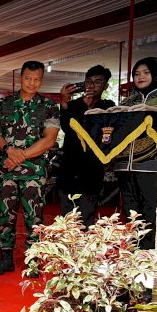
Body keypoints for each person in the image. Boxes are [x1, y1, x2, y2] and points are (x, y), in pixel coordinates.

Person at [0, 61, 60, 276]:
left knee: (34, 217)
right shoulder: (3, 104)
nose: (32, 83)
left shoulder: (49, 106)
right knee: (4, 215)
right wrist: (9, 150)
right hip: (6, 171)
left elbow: (49, 140)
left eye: (37, 79)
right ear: (20, 78)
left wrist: (20, 156)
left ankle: (33, 261)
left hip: (33, 172)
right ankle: (5, 258)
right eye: (28, 78)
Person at [58, 65, 116, 226]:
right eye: (88, 82)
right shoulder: (74, 105)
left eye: (98, 82)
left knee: (86, 218)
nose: (92, 85)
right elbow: (66, 128)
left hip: (92, 170)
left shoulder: (109, 107)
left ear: (105, 85)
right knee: (67, 219)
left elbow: (104, 135)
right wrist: (64, 102)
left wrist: (91, 108)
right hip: (69, 167)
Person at [116, 57, 157, 249]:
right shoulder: (129, 100)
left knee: (151, 209)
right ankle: (133, 253)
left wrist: (155, 111)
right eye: (136, 74)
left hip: (152, 165)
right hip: (124, 165)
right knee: (130, 209)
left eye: (146, 72)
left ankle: (151, 253)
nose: (140, 77)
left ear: (156, 74)